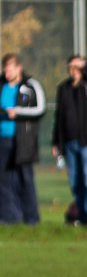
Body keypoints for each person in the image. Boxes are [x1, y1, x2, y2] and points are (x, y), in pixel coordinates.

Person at [51, 55, 87, 225]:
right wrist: (56, 142)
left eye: (77, 67)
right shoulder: (63, 88)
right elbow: (59, 117)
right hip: (69, 142)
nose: (74, 71)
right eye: (71, 67)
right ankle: (83, 215)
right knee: (75, 181)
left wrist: (86, 64)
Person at [0, 53, 46, 225]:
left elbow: (40, 110)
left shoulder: (30, 85)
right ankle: (8, 217)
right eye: (5, 69)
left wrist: (18, 112)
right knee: (3, 180)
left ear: (19, 68)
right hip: (2, 139)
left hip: (22, 141)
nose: (7, 73)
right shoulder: (1, 85)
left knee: (25, 178)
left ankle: (31, 218)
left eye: (10, 69)